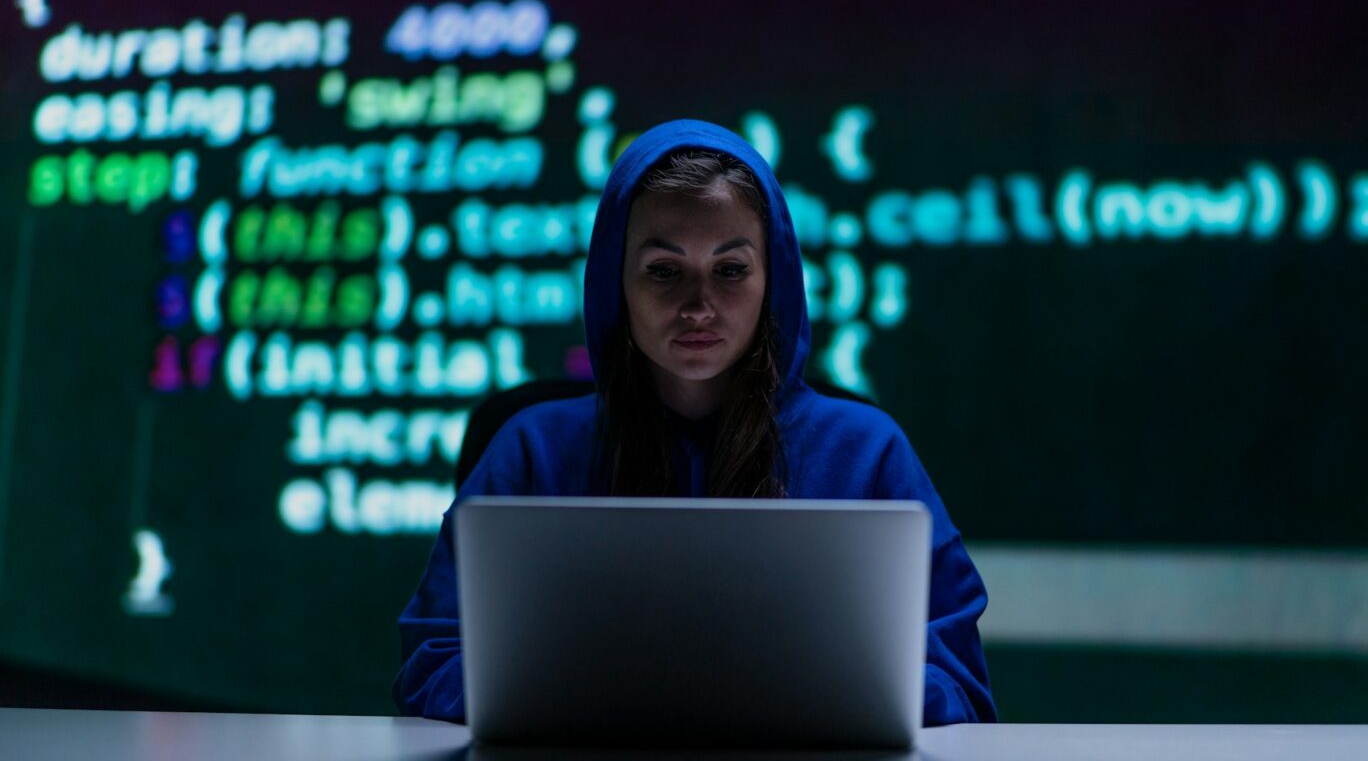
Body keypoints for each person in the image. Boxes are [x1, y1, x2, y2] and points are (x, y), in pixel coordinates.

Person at [393, 119, 997, 725]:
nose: (698, 305)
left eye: (730, 270)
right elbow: (433, 658)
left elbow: (957, 682)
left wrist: (823, 701)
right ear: (615, 281)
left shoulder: (869, 454)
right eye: (663, 270)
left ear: (774, 279)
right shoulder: (531, 449)